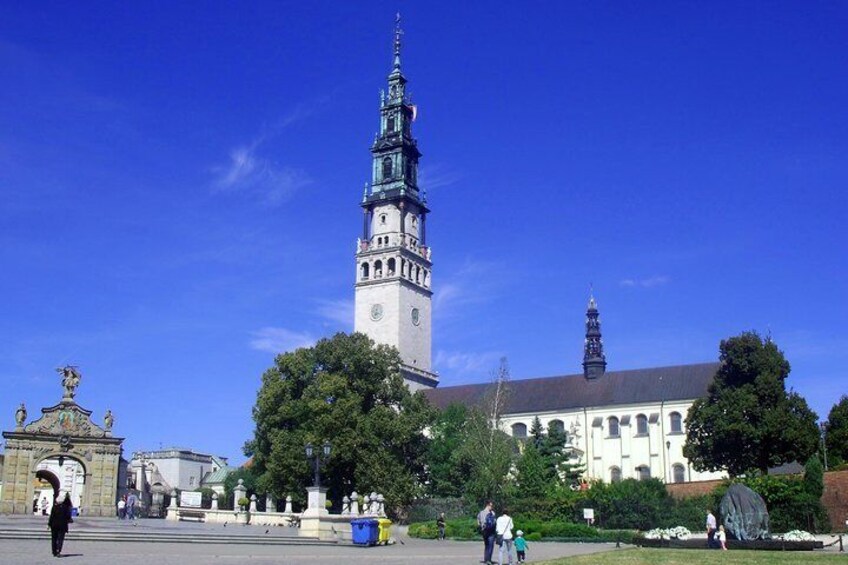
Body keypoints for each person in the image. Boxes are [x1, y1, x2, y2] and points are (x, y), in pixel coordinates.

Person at [48, 492, 73, 557]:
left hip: (54, 526)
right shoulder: (65, 507)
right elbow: (68, 516)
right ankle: (58, 550)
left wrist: (49, 524)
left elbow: (51, 517)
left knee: (54, 539)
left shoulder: (54, 507)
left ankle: (54, 552)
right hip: (62, 526)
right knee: (60, 539)